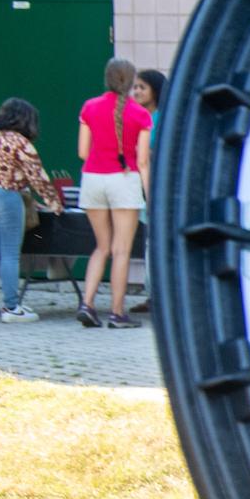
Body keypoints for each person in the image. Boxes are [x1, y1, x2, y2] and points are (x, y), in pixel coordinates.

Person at [76, 57, 150, 329]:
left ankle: (87, 304)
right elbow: (142, 161)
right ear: (131, 83)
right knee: (121, 250)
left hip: (93, 178)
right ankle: (117, 313)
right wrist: (149, 193)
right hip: (124, 179)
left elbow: (83, 152)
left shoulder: (89, 107)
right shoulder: (140, 114)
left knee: (101, 247)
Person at [0, 98, 58, 322]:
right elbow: (37, 177)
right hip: (5, 196)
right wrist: (54, 203)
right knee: (10, 253)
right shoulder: (21, 142)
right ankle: (11, 308)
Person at [130, 67, 165, 315]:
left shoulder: (164, 118)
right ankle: (152, 295)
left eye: (142, 87)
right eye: (135, 87)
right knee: (147, 244)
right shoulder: (137, 117)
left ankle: (160, 296)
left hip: (156, 185)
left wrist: (143, 153)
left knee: (155, 242)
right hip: (136, 184)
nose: (137, 91)